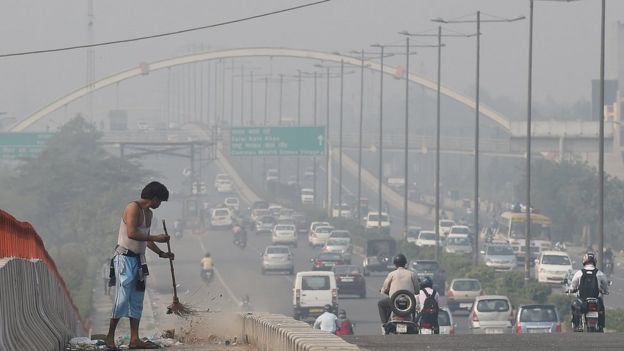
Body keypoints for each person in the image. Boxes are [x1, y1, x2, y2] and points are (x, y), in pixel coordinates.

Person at [105, 181, 174, 350]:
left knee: (137, 300)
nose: (160, 205)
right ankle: (109, 337)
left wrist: (161, 253)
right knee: (122, 299)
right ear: (154, 198)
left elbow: (146, 238)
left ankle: (134, 339)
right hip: (124, 258)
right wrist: (156, 237)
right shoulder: (133, 208)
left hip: (139, 260)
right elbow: (132, 233)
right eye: (160, 201)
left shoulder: (149, 214)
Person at [378, 253, 420, 333]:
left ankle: (384, 324)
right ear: (405, 263)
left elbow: (385, 288)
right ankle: (414, 321)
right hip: (409, 302)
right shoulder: (412, 274)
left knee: (380, 304)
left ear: (395, 264)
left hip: (393, 301)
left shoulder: (392, 274)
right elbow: (417, 290)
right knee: (415, 305)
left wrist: (383, 290)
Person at [568, 252, 609, 332]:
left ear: (584, 261)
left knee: (574, 305)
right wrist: (606, 291)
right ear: (594, 261)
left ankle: (577, 325)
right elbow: (605, 284)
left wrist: (571, 290)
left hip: (582, 301)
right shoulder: (599, 273)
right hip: (596, 299)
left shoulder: (579, 273)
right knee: (601, 308)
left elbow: (573, 285)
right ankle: (601, 326)